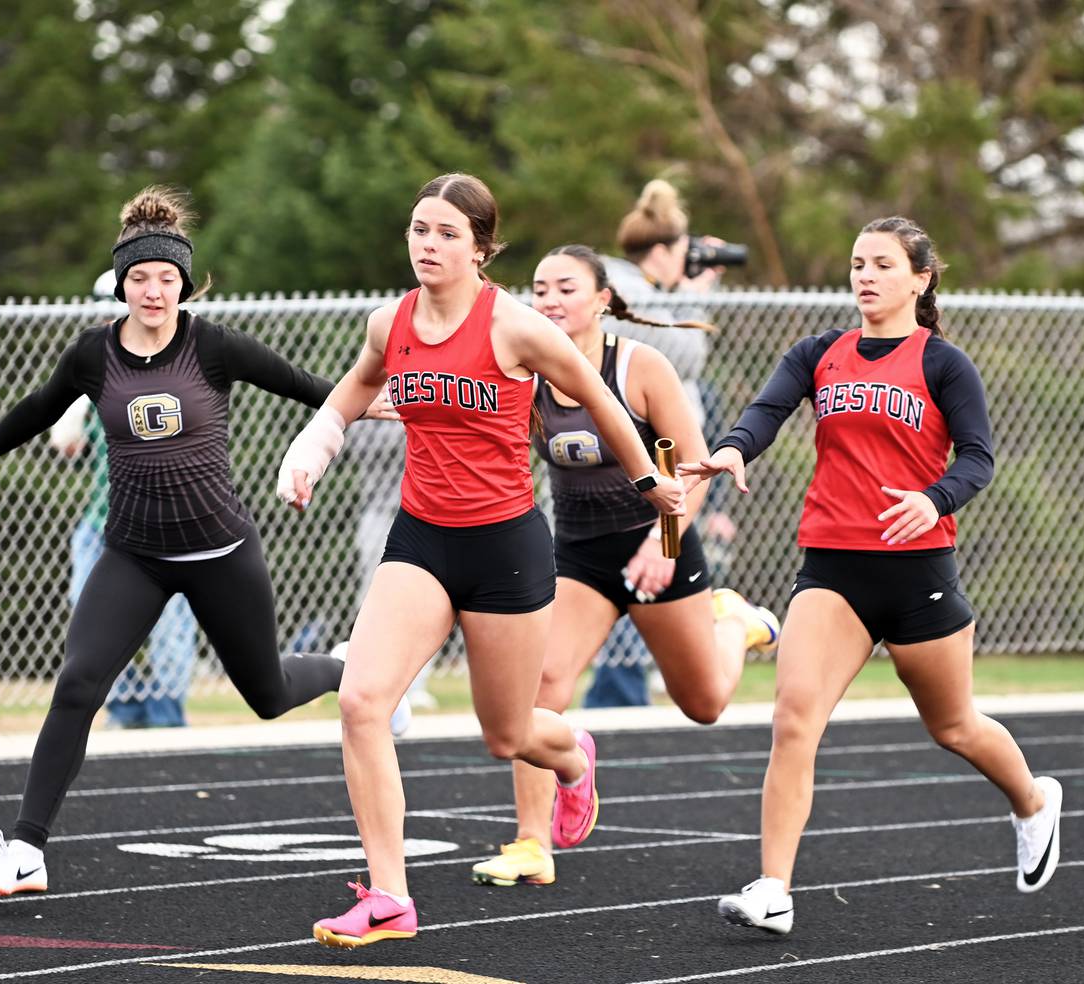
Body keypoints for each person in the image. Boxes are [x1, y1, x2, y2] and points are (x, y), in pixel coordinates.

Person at [0, 185, 397, 899]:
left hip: (219, 551)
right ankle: (26, 850)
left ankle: (343, 665)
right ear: (122, 283)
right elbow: (37, 409)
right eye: (140, 278)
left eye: (166, 279)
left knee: (268, 694)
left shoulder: (213, 345)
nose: (152, 291)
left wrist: (374, 406)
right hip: (134, 554)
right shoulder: (94, 354)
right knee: (78, 683)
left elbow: (307, 386)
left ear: (184, 283)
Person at [277, 173, 684, 948]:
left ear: (481, 249)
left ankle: (572, 754)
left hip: (506, 547)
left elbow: (599, 399)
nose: (427, 246)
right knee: (363, 701)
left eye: (446, 235)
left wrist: (648, 481)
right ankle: (390, 897)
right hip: (422, 539)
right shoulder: (387, 322)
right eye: (418, 230)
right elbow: (350, 394)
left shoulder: (518, 328)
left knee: (505, 735)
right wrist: (311, 451)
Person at [681, 217, 1062, 936]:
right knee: (794, 720)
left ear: (919, 278)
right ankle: (773, 889)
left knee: (953, 726)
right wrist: (734, 449)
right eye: (857, 263)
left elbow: (978, 458)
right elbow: (766, 411)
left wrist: (933, 499)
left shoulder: (943, 364)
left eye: (883, 264)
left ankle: (1034, 800)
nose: (865, 276)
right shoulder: (820, 353)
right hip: (833, 569)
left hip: (917, 573)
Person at [469, 244, 779, 890]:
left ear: (603, 299)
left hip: (657, 545)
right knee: (540, 684)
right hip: (580, 555)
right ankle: (532, 838)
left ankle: (737, 624)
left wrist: (662, 545)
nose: (549, 300)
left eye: (565, 288)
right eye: (539, 289)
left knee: (704, 702)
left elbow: (695, 473)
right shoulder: (525, 376)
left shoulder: (642, 368)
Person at [583, 179, 742, 707]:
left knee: (702, 696)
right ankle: (622, 689)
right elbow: (687, 353)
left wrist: (693, 290)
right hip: (620, 464)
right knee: (631, 579)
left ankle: (726, 632)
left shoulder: (654, 291)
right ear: (660, 251)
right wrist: (695, 296)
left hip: (665, 467)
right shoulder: (629, 291)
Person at [50, 393, 199, 728]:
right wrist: (76, 406)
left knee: (168, 621)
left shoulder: (175, 381)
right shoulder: (102, 385)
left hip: (161, 523)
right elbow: (67, 446)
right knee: (90, 614)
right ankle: (125, 704)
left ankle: (167, 711)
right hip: (102, 522)